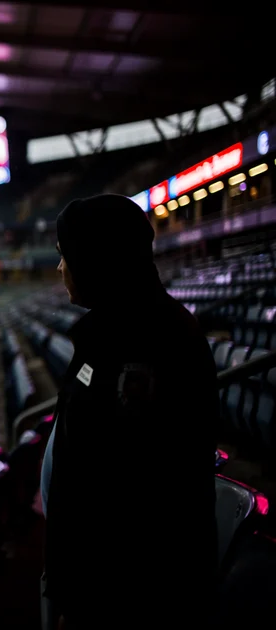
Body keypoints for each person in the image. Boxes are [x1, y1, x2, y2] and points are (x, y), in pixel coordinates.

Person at [41, 195, 218, 629]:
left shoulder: (155, 340)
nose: (60, 269)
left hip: (130, 596)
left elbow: (122, 490)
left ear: (95, 259)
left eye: (66, 257)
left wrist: (76, 590)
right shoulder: (108, 329)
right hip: (100, 584)